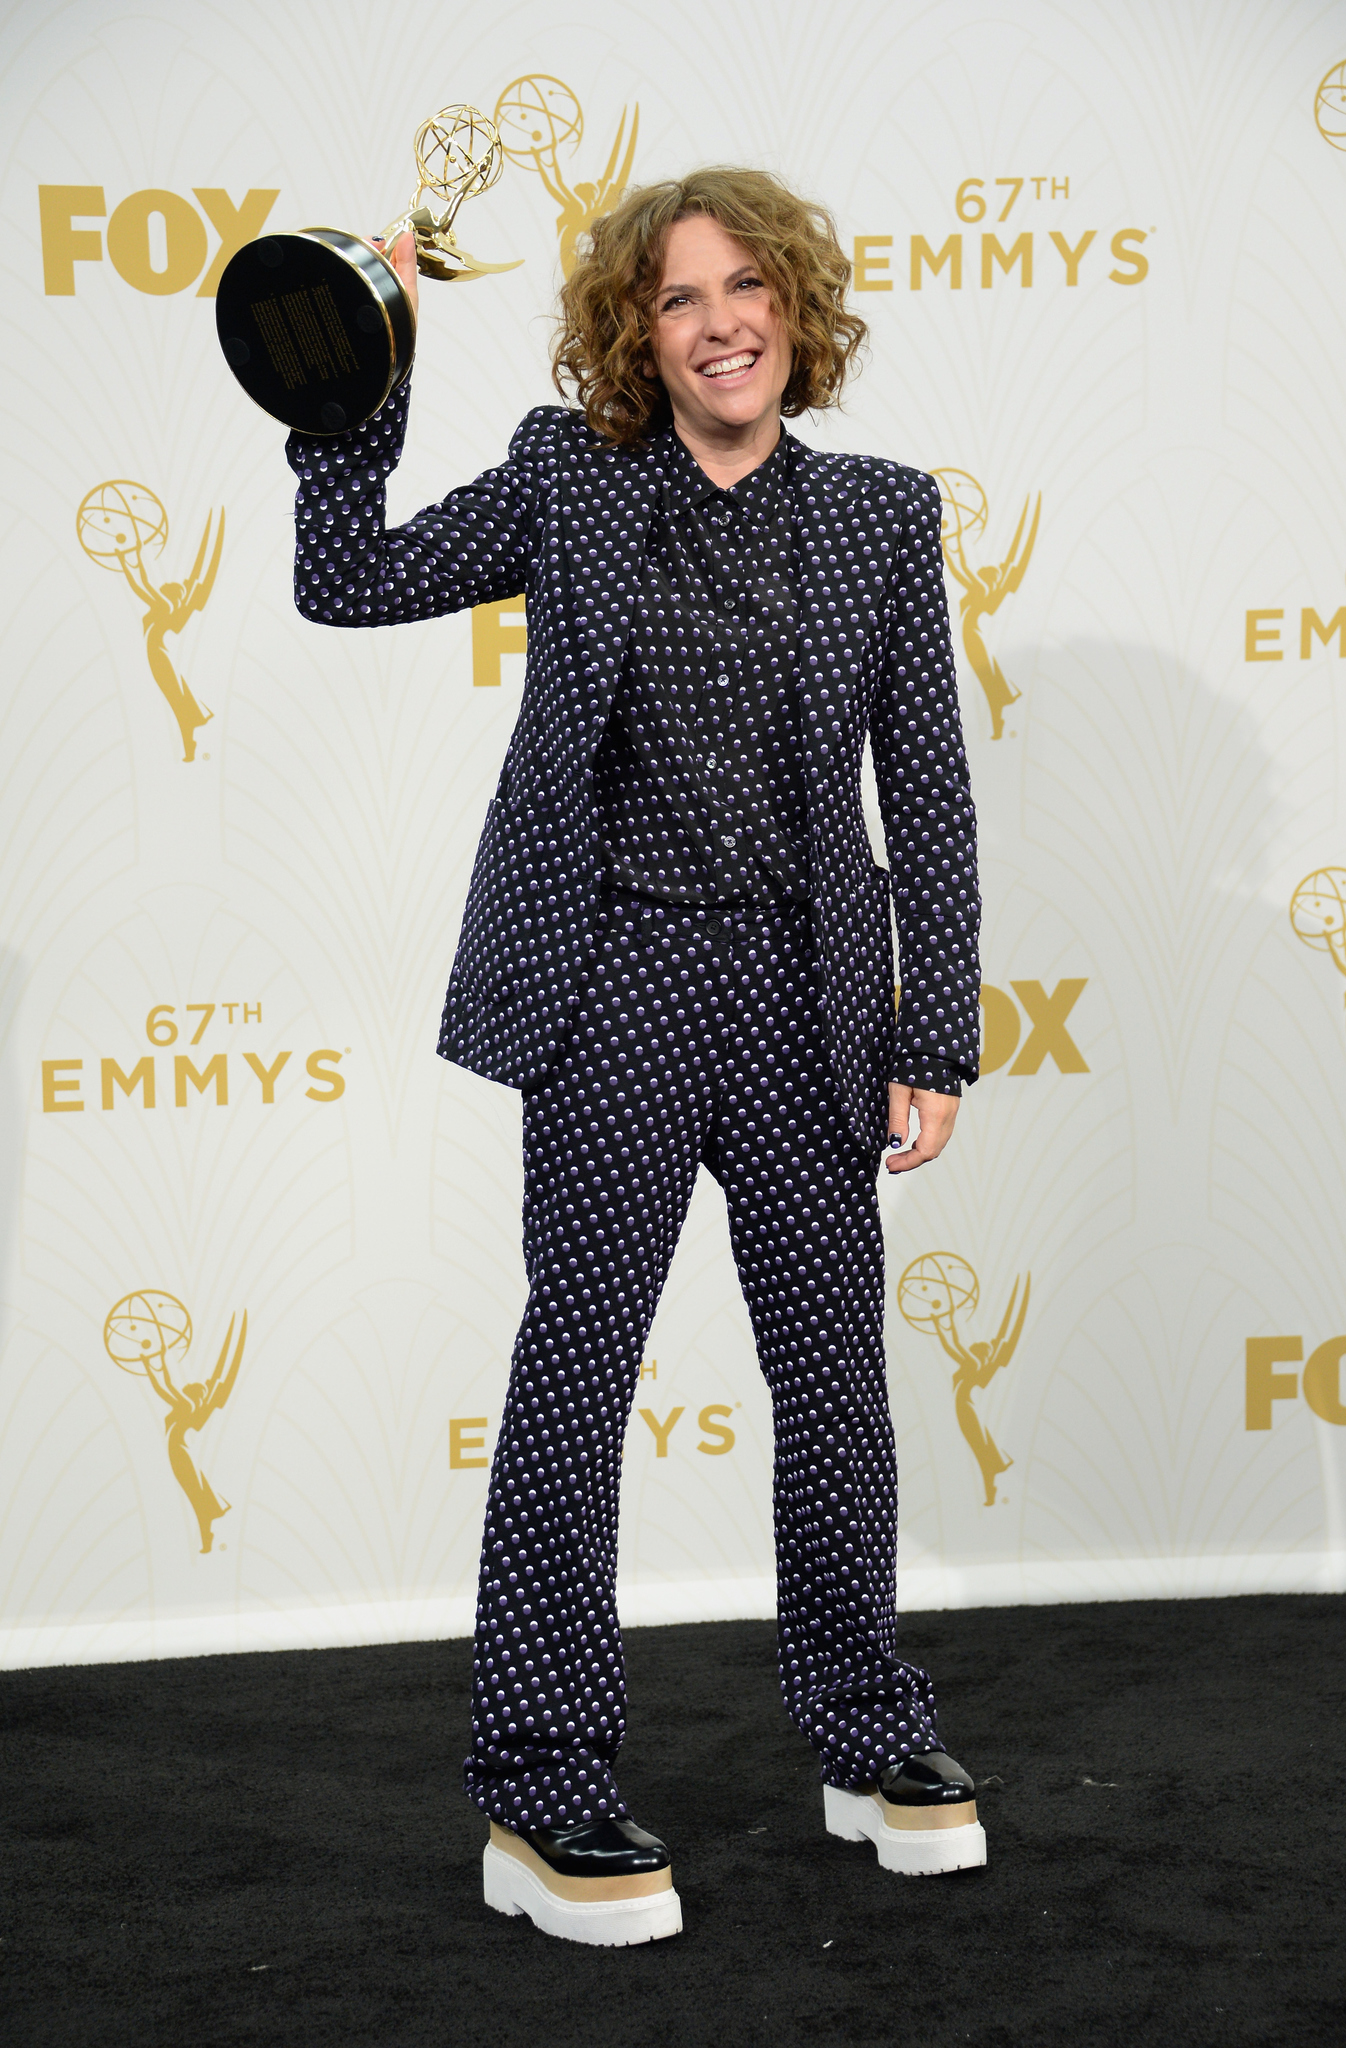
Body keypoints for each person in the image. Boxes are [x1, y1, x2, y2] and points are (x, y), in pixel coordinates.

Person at [286, 166, 983, 1948]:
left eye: (749, 286)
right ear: (636, 335)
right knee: (577, 1371)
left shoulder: (888, 520)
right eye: (680, 298)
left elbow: (931, 792)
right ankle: (538, 1782)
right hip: (612, 983)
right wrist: (350, 389)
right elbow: (346, 581)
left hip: (803, 994)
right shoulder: (569, 478)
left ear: (800, 310)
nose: (722, 319)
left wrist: (937, 1033)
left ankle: (866, 1733)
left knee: (836, 1379)